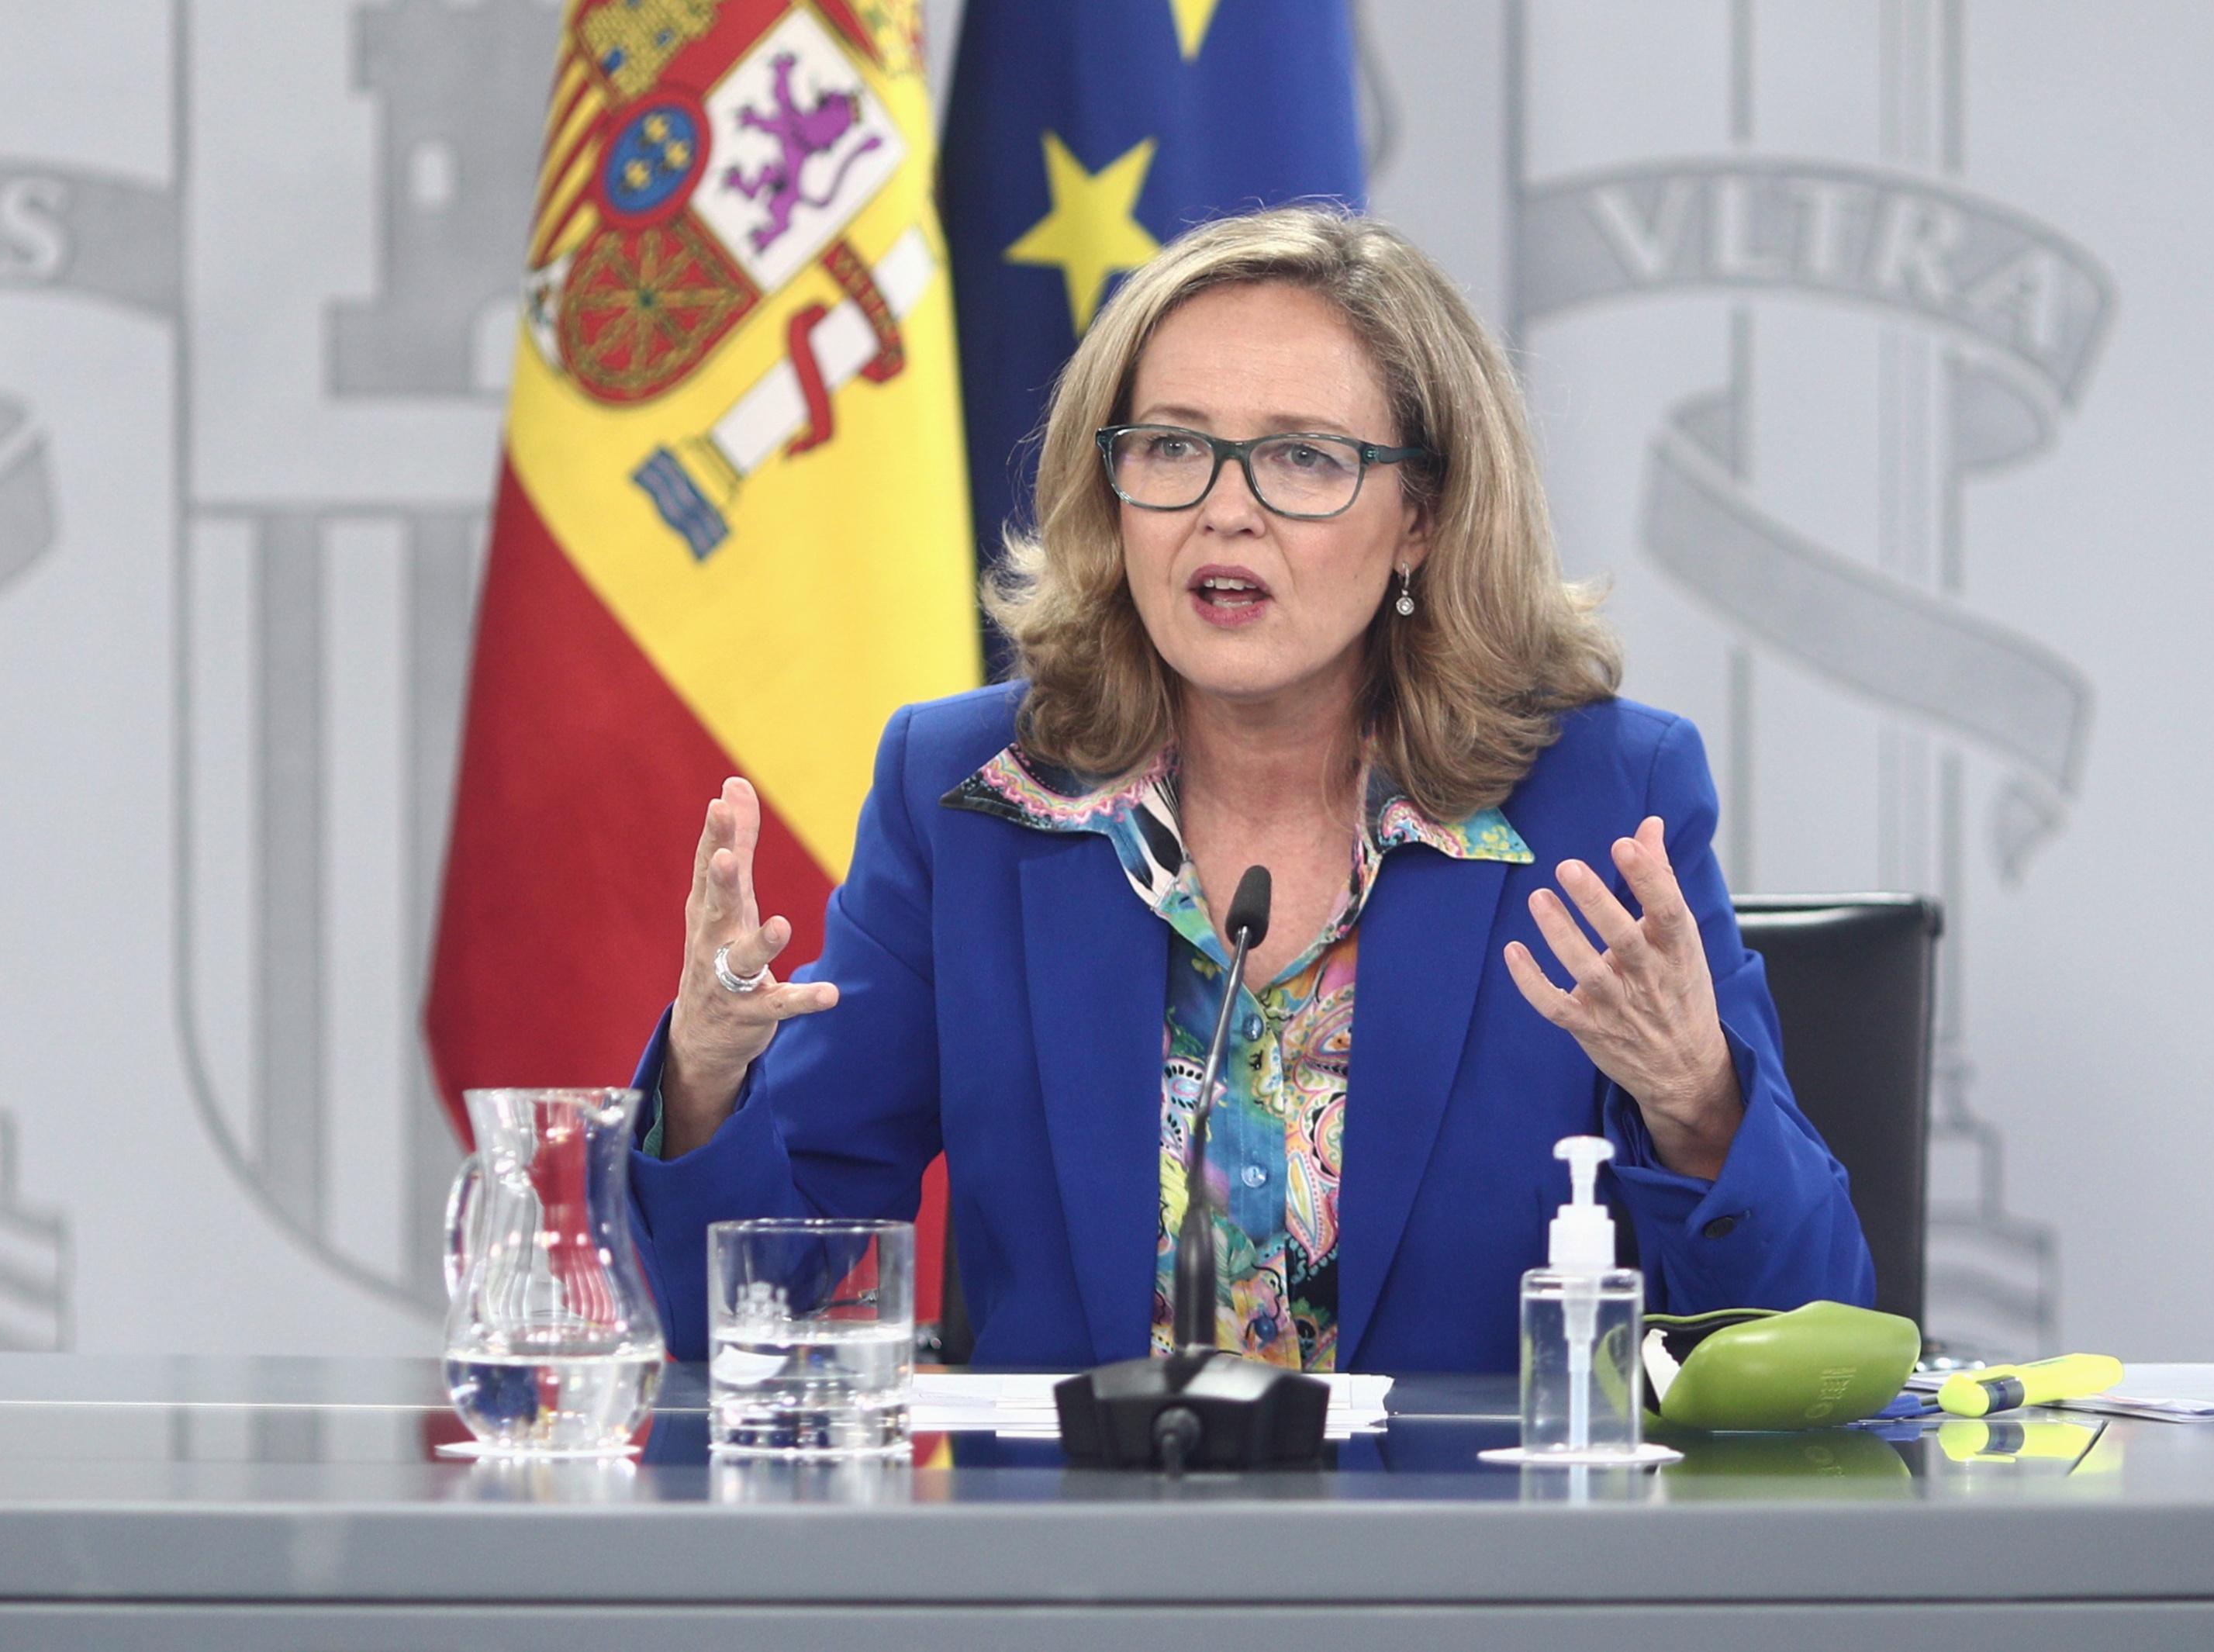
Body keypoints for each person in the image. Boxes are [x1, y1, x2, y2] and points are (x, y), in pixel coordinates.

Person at [627, 207, 1874, 1371]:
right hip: (1078, 1586)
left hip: (1472, 1588)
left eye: (1303, 457)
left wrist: (1695, 1100)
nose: (1226, 511)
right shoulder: (971, 802)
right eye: (1172, 447)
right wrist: (705, 1078)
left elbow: (1812, 1336)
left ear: (1421, 517)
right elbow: (755, 1324)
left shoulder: (1598, 801)